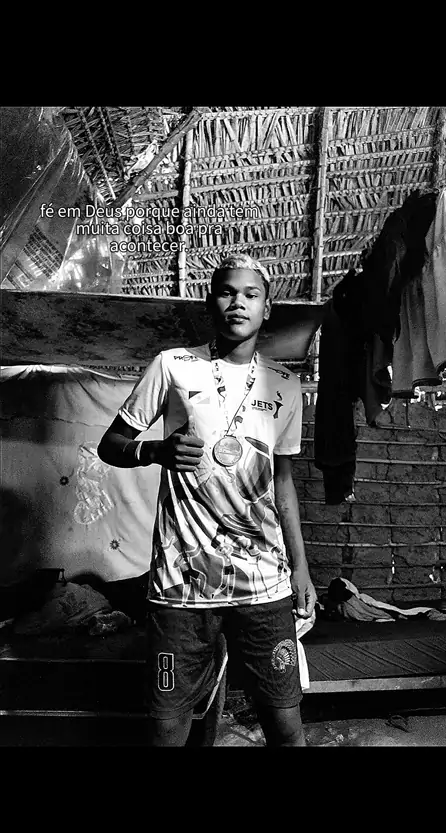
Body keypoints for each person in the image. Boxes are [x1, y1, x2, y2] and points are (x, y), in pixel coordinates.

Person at [97, 254, 317, 747]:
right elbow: (110, 445)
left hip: (264, 582)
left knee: (285, 724)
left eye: (251, 294)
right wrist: (154, 450)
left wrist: (301, 569)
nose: (238, 302)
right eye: (226, 291)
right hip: (182, 583)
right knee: (167, 726)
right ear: (209, 302)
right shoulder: (173, 365)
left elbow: (283, 483)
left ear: (266, 308)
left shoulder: (285, 384)